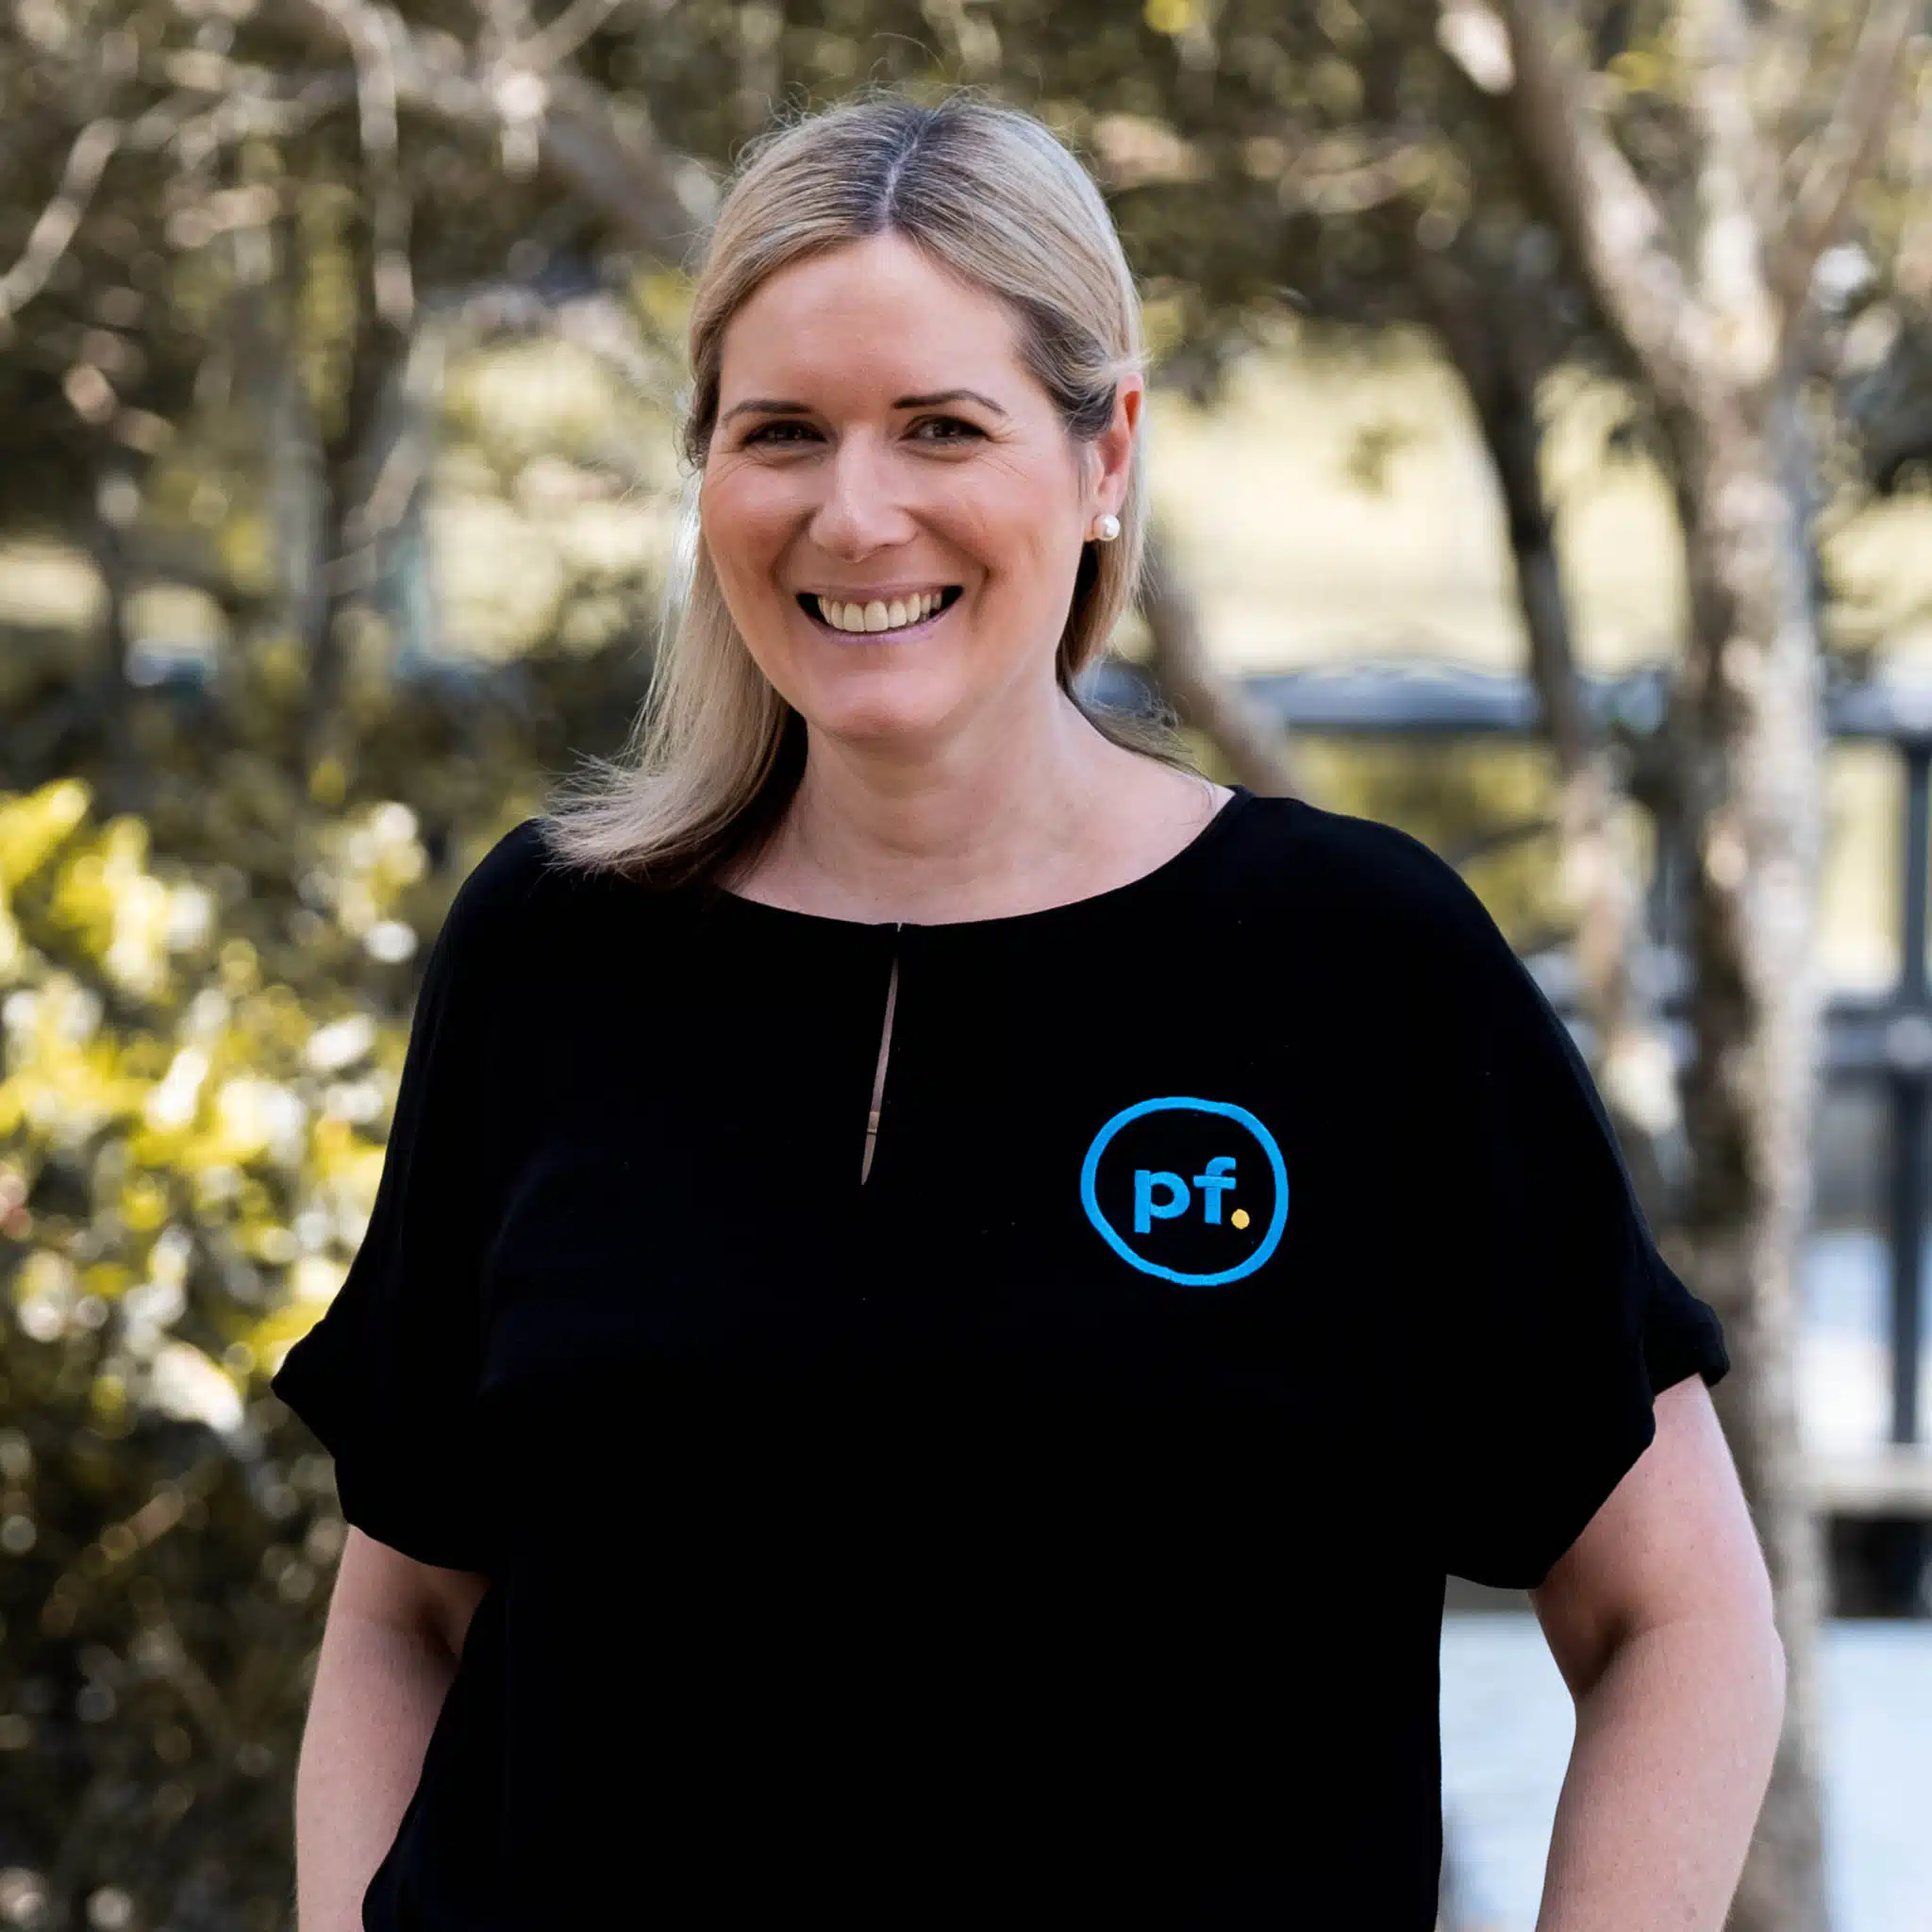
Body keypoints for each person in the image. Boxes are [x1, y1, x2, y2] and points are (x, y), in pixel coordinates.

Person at [273, 89, 1784, 1931]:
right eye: (781, 432)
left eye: (941, 427)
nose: (855, 512)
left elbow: (1676, 1617)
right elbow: (404, 1607)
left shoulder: (1358, 970)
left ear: (1103, 454)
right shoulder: (553, 947)